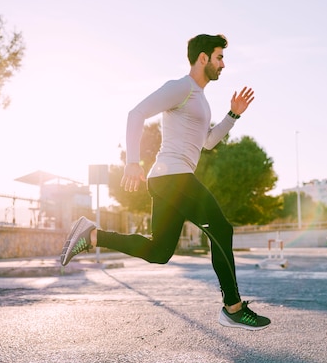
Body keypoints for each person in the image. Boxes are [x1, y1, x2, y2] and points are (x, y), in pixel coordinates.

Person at [60, 34, 270, 331]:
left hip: (169, 179)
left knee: (159, 252)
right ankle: (233, 307)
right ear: (202, 58)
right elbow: (137, 113)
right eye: (219, 57)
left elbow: (207, 143)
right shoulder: (182, 88)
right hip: (173, 177)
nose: (223, 64)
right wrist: (132, 161)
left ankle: (91, 235)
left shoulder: (201, 100)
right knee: (221, 229)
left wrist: (233, 114)